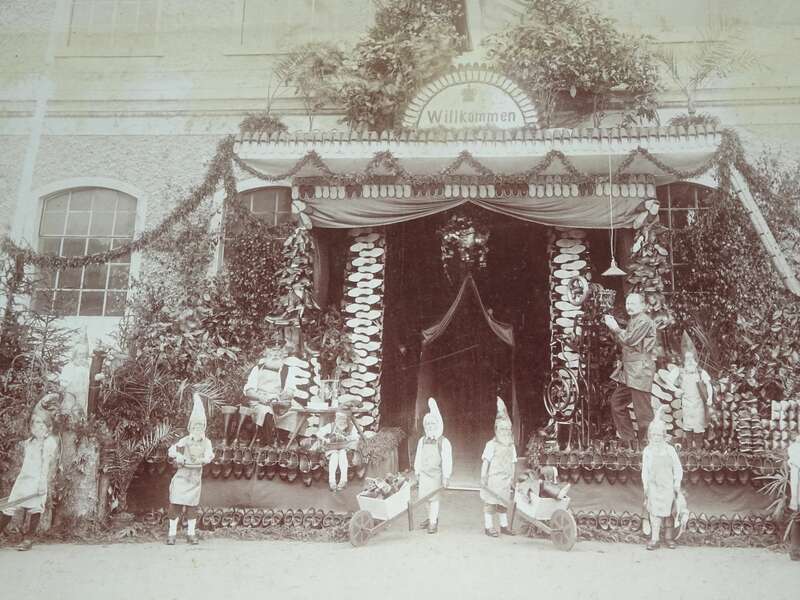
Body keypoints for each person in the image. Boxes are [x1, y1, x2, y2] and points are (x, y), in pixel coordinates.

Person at [0, 398, 60, 551]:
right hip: (23, 480)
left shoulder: (48, 443)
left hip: (37, 480)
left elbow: (46, 465)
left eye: (41, 423)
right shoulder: (29, 442)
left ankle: (28, 538)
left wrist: (41, 484)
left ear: (48, 427)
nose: (37, 426)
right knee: (10, 506)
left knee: (34, 508)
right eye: (35, 423)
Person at [604, 292, 657, 447]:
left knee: (643, 413)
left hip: (640, 371)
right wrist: (617, 331)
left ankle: (647, 446)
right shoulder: (634, 320)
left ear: (643, 306)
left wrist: (615, 328)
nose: (629, 307)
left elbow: (629, 340)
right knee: (617, 403)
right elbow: (625, 342)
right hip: (630, 372)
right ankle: (629, 441)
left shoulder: (644, 321)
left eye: (633, 304)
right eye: (627, 303)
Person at [166, 392, 214, 545]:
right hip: (182, 476)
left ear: (204, 427)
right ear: (190, 427)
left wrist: (204, 459)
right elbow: (171, 450)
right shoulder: (185, 440)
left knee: (192, 507)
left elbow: (210, 455)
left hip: (194, 478)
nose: (198, 428)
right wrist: (179, 457)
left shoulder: (206, 442)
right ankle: (172, 534)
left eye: (200, 426)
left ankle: (191, 534)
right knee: (175, 504)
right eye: (195, 425)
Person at [641, 408, 683, 550]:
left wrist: (676, 484)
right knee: (654, 512)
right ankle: (655, 539)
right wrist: (646, 486)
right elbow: (645, 471)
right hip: (653, 486)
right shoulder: (648, 451)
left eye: (659, 435)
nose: (656, 438)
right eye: (653, 435)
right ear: (650, 436)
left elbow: (678, 468)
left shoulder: (669, 450)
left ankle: (669, 538)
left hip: (668, 486)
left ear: (664, 435)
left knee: (669, 512)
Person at [413, 398, 453, 534]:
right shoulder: (422, 441)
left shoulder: (443, 442)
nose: (430, 426)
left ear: (438, 424)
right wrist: (417, 471)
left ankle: (433, 522)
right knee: (425, 498)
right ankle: (430, 516)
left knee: (434, 499)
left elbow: (447, 460)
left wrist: (446, 476)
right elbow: (418, 456)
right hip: (424, 474)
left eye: (432, 424)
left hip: (436, 474)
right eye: (427, 424)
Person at [480, 398, 517, 538]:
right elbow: (486, 462)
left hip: (506, 480)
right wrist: (483, 477)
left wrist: (512, 478)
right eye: (502, 428)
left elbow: (513, 462)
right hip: (494, 480)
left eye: (507, 429)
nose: (505, 431)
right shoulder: (491, 445)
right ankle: (488, 527)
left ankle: (503, 526)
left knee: (503, 504)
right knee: (490, 504)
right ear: (496, 429)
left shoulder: (511, 446)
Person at [674, 334, 713, 450]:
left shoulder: (701, 373)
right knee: (687, 426)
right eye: (687, 359)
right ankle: (689, 448)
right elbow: (667, 381)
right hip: (686, 404)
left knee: (698, 426)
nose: (690, 361)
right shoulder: (680, 372)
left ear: (695, 360)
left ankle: (699, 450)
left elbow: (708, 385)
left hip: (699, 404)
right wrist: (676, 390)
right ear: (684, 361)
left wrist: (710, 397)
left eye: (692, 359)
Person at [316, 410, 360, 491]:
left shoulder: (350, 427)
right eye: (339, 419)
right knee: (334, 456)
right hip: (332, 448)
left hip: (345, 448)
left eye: (343, 419)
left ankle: (343, 480)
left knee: (342, 454)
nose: (341, 421)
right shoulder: (331, 426)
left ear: (346, 419)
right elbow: (318, 433)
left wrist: (348, 438)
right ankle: (332, 480)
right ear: (336, 419)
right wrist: (326, 439)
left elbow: (356, 437)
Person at [788, 432, 800, 561]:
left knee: (798, 519)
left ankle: (795, 551)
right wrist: (795, 498)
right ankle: (795, 551)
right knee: (798, 519)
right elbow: (795, 476)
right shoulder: (796, 449)